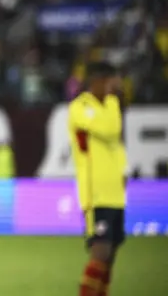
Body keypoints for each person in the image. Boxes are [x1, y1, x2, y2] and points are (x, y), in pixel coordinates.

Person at [68, 62, 128, 296]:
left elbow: (115, 141)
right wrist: (108, 114)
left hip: (116, 192)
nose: (116, 86)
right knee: (100, 251)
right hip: (95, 192)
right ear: (99, 81)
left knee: (110, 256)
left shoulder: (112, 104)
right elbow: (108, 130)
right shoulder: (80, 107)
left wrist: (123, 169)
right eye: (112, 81)